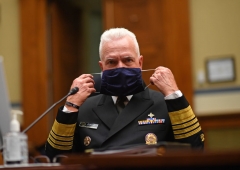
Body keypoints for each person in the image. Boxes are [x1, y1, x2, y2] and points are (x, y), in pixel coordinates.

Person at [45, 28, 204, 159]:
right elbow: (55, 158)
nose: (120, 67)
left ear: (140, 63)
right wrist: (70, 105)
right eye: (112, 62)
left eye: (128, 60)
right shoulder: (85, 108)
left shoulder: (165, 103)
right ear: (102, 67)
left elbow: (195, 150)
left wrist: (174, 94)